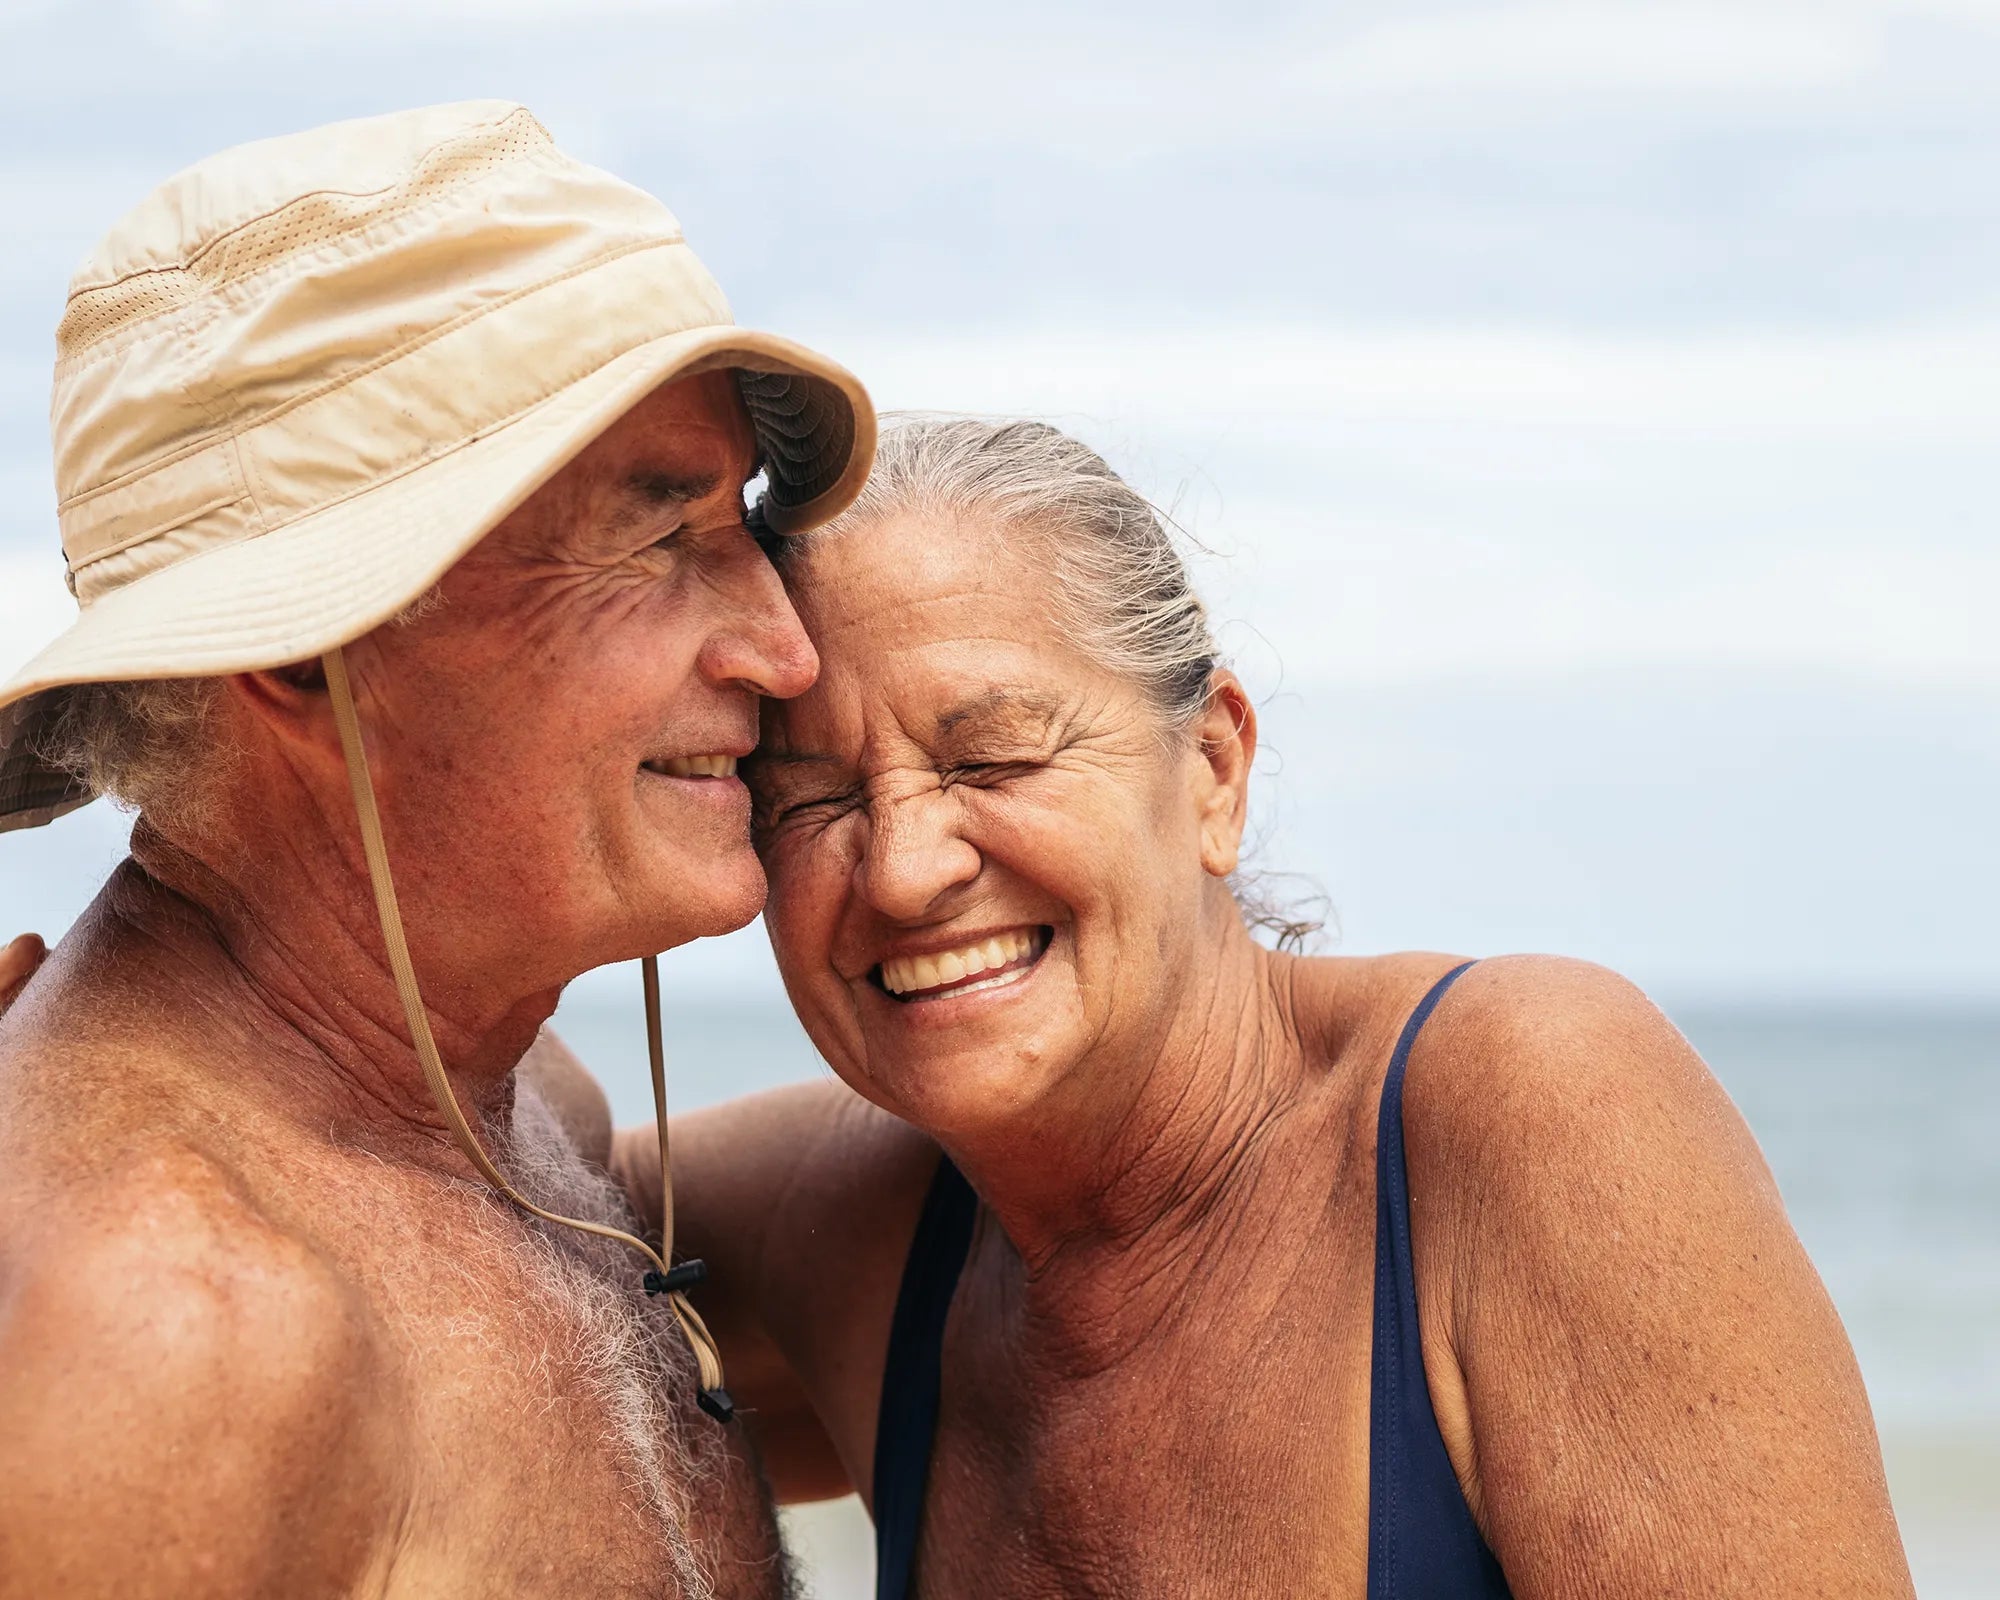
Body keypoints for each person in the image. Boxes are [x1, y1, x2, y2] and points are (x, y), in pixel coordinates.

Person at [615, 419, 1918, 1597]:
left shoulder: (1523, 1110)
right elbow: (463, 1178)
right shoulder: (855, 1233)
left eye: (994, 757)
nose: (904, 868)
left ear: (1215, 770)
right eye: (810, 798)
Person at [0, 102, 875, 1599]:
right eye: (659, 541)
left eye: (740, 525)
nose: (786, 650)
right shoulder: (164, 1326)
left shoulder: (527, 1114)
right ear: (294, 657)